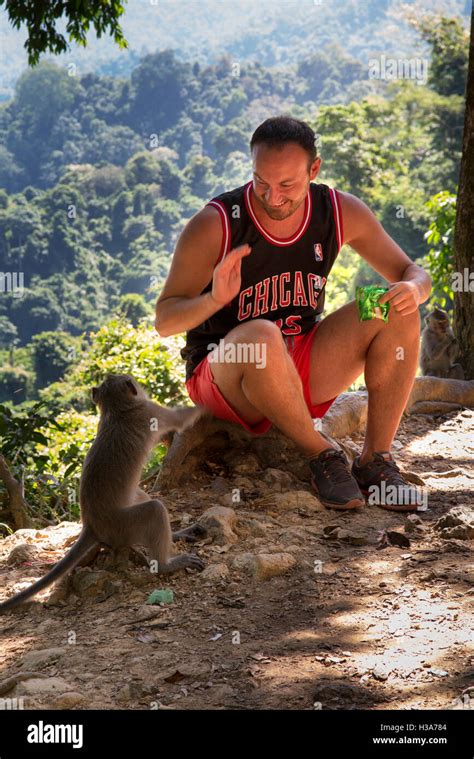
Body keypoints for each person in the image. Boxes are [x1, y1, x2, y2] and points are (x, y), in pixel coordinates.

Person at [155, 116, 431, 511]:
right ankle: (323, 453)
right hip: (225, 377)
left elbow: (412, 272)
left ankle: (376, 461)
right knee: (263, 335)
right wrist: (214, 299)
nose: (272, 196)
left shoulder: (337, 211)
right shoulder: (217, 224)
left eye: (287, 185)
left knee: (393, 306)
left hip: (298, 365)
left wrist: (415, 288)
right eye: (261, 182)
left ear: (314, 169)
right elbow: (165, 320)